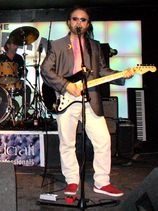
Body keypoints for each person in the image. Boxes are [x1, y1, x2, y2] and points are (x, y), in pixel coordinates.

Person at [40, 7, 134, 197]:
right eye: (75, 19)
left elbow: (102, 71)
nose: (79, 23)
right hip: (66, 99)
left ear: (87, 24)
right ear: (69, 22)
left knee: (103, 140)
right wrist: (67, 85)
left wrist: (122, 75)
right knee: (67, 143)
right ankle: (72, 181)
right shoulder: (57, 45)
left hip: (91, 98)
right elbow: (45, 70)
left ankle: (102, 182)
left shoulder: (95, 46)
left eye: (83, 20)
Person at [0, 39, 32, 118]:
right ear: (8, 46)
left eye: (17, 45)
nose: (16, 46)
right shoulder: (0, 58)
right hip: (2, 83)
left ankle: (25, 112)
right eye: (14, 44)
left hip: (16, 83)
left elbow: (23, 71)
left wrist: (24, 72)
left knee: (27, 89)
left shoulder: (19, 58)